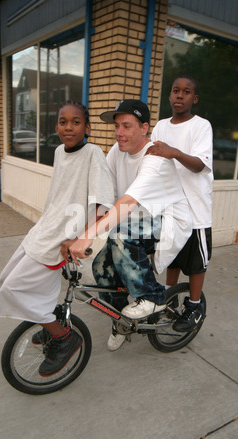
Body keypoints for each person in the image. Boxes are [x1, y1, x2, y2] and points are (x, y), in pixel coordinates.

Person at [0, 101, 115, 376]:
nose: (68, 127)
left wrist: (79, 239)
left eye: (76, 122)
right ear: (56, 126)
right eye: (63, 122)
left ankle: (63, 336)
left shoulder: (93, 154)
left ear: (87, 128)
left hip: (62, 238)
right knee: (6, 279)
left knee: (13, 289)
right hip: (44, 230)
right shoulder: (60, 152)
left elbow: (103, 205)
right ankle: (51, 324)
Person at [65, 99, 193, 351]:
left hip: (167, 221)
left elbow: (127, 202)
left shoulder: (154, 158)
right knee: (101, 266)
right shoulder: (118, 150)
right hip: (136, 219)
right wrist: (82, 234)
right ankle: (122, 319)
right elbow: (106, 200)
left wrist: (89, 235)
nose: (119, 133)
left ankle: (153, 297)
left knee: (121, 234)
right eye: (117, 126)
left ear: (144, 128)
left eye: (126, 126)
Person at [146, 74, 213, 333]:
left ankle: (195, 306)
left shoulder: (201, 126)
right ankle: (168, 300)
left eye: (186, 92)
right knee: (170, 255)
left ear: (194, 99)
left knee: (196, 262)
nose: (179, 95)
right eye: (175, 90)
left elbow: (199, 165)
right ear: (170, 95)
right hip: (170, 207)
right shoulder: (161, 126)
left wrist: (173, 152)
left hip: (195, 208)